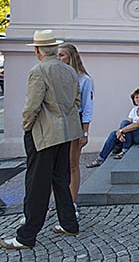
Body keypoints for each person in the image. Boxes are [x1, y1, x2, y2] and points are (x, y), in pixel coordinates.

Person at [0, 30, 81, 250]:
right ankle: (69, 223)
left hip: (44, 134)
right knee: (60, 180)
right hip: (65, 132)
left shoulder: (39, 71)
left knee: (37, 184)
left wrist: (27, 127)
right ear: (54, 49)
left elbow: (32, 106)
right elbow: (76, 101)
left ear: (37, 50)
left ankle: (26, 236)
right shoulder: (69, 71)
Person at [57, 43, 94, 216]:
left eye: (62, 55)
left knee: (72, 164)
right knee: (57, 165)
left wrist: (85, 131)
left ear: (71, 57)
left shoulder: (84, 79)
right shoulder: (56, 76)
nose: (59, 58)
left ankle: (71, 202)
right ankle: (58, 201)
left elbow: (87, 106)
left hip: (75, 123)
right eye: (57, 55)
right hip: (57, 124)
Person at [87, 88, 139, 167]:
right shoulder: (134, 110)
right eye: (136, 97)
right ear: (133, 100)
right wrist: (119, 133)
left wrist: (121, 131)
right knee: (113, 134)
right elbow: (127, 124)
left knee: (125, 124)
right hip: (135, 133)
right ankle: (100, 159)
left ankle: (124, 149)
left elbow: (138, 124)